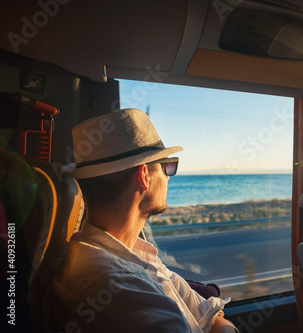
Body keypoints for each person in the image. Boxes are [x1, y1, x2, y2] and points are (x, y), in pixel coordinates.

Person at [50, 108, 237, 332]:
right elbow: (210, 318)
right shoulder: (121, 287)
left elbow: (206, 312)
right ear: (144, 176)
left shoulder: (132, 252)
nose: (168, 177)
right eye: (168, 166)